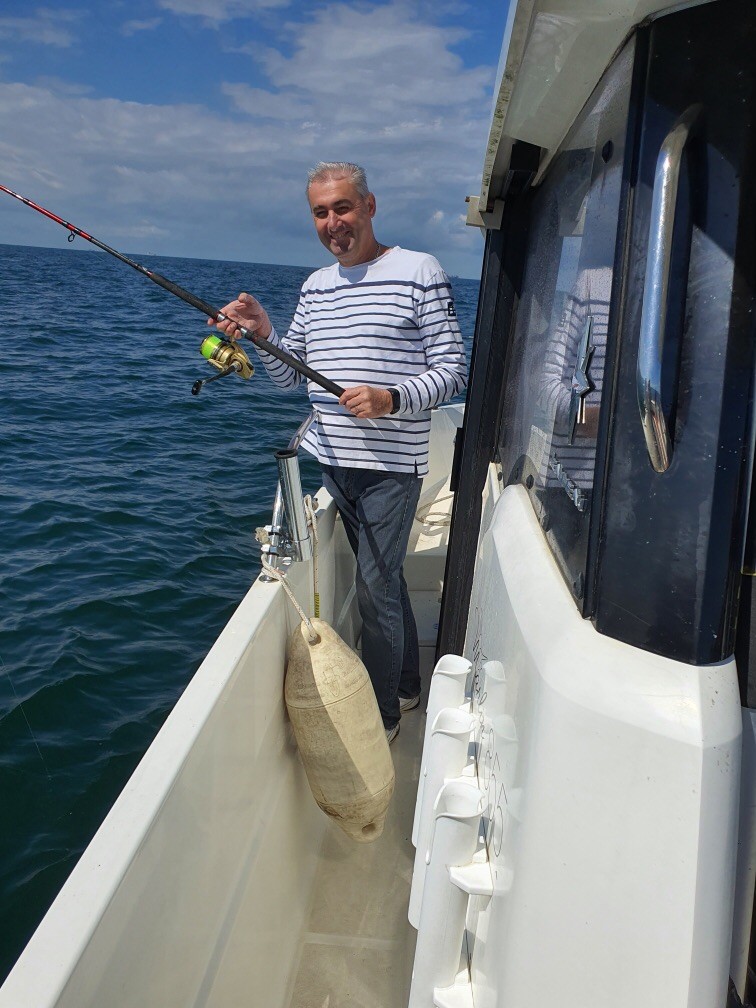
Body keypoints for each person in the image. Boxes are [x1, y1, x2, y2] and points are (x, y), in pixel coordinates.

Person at [211, 161, 467, 742]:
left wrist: (391, 397)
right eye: (321, 212)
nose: (333, 222)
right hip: (332, 460)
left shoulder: (418, 271)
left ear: (370, 206)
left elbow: (453, 371)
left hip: (389, 469)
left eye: (343, 208)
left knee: (376, 592)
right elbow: (288, 375)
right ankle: (405, 684)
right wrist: (261, 333)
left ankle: (381, 716)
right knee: (383, 582)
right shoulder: (315, 287)